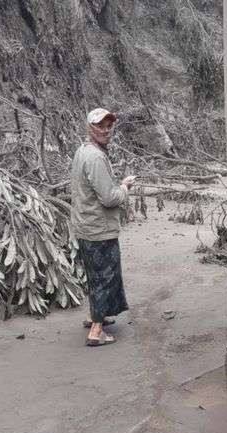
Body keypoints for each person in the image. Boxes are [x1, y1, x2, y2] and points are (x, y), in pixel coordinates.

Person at [70, 107, 136, 347]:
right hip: (98, 228)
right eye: (101, 126)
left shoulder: (83, 151)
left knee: (94, 275)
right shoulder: (96, 157)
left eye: (109, 125)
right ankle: (96, 332)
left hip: (85, 225)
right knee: (105, 278)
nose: (106, 130)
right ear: (90, 127)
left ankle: (93, 316)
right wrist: (125, 188)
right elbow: (109, 198)